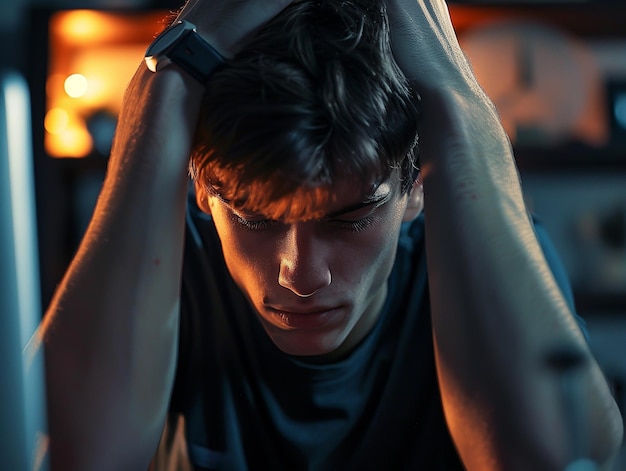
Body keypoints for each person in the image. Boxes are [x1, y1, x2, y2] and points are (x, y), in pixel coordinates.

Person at [36, 0, 623, 469]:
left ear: (415, 188)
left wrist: (456, 97)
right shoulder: (174, 270)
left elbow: (551, 460)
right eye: (254, 218)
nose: (301, 272)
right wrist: (163, 80)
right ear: (204, 192)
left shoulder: (480, 268)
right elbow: (73, 455)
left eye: (349, 218)